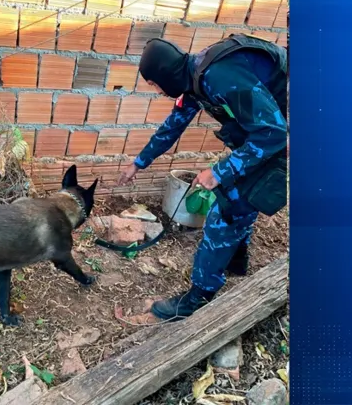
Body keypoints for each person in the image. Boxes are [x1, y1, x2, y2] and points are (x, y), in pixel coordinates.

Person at [117, 34, 288, 321]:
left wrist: (219, 172)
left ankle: (198, 297)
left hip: (280, 135)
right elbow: (172, 127)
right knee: (237, 206)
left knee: (224, 214)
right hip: (264, 137)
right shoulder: (193, 80)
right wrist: (138, 163)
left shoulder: (217, 76)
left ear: (162, 76)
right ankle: (235, 260)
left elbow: (274, 132)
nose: (157, 91)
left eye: (153, 84)